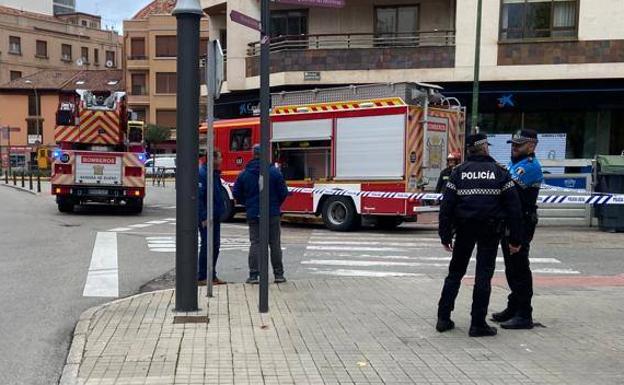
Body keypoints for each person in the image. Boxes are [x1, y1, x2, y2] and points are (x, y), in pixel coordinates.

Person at [436, 133, 523, 337]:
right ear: (484, 147)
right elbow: (514, 208)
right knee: (483, 276)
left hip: (464, 229)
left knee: (455, 273)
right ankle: (477, 324)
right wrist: (516, 239)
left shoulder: (458, 172)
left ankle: (443, 318)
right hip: (490, 231)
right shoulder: (500, 173)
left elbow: (446, 205)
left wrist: (445, 234)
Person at [492, 129, 544, 329]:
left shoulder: (529, 167)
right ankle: (513, 307)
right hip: (511, 221)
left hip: (521, 222)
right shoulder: (517, 164)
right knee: (511, 267)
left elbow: (506, 188)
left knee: (520, 268)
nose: (514, 148)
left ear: (531, 146)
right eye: (513, 144)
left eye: (519, 145)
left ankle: (524, 314)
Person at [233, 144, 289, 284]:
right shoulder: (274, 172)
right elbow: (283, 192)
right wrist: (275, 205)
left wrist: (248, 204)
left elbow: (236, 193)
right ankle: (278, 274)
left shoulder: (244, 174)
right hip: (272, 213)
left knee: (255, 243)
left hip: (253, 213)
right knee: (275, 243)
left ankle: (253, 275)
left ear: (253, 154)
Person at [198, 150, 226, 286]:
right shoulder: (203, 174)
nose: (221, 160)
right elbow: (199, 197)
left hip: (214, 215)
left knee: (215, 246)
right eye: (220, 157)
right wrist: (203, 216)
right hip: (207, 217)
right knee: (207, 245)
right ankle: (202, 276)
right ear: (213, 159)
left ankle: (211, 274)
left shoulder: (213, 174)